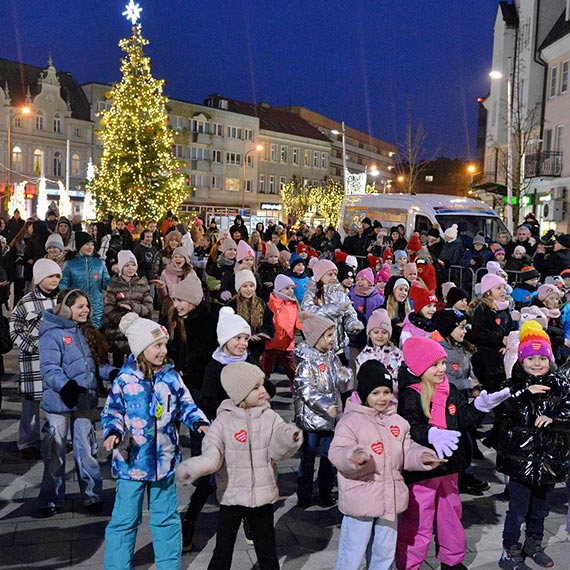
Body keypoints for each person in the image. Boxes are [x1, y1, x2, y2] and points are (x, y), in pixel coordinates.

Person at [101, 312, 209, 570]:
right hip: (131, 462)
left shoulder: (171, 377)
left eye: (163, 345)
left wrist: (200, 422)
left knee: (167, 517)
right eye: (156, 346)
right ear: (140, 349)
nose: (162, 350)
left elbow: (187, 404)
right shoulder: (125, 380)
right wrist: (113, 431)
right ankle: (117, 565)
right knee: (125, 519)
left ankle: (169, 565)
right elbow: (112, 411)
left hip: (165, 461)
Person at [396, 336, 511, 570]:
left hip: (449, 466)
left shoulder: (450, 390)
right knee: (419, 520)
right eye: (435, 365)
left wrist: (480, 407)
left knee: (450, 514)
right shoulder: (411, 394)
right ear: (420, 367)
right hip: (423, 470)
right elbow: (409, 426)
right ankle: (409, 563)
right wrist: (429, 434)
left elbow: (461, 419)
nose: (442, 369)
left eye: (442, 363)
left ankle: (452, 559)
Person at [176, 362, 302, 570]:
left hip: (261, 496)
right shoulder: (223, 421)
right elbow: (212, 455)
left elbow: (278, 447)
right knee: (223, 550)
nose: (263, 391)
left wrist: (289, 437)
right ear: (240, 395)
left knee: (267, 551)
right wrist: (195, 467)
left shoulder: (270, 417)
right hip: (232, 495)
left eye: (262, 385)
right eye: (255, 387)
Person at [330, 360, 442, 570]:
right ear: (364, 394)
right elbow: (337, 452)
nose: (382, 398)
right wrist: (353, 457)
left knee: (384, 551)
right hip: (361, 497)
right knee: (352, 551)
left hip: (390, 497)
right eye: (375, 393)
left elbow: (406, 450)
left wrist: (422, 456)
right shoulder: (350, 421)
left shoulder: (398, 422)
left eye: (386, 392)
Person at [497, 321, 570, 569]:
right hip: (521, 462)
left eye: (542, 358)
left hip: (549, 460)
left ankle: (533, 543)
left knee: (540, 508)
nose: (537, 363)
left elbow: (569, 409)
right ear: (521, 361)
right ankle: (510, 549)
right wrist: (525, 394)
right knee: (517, 510)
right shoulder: (513, 386)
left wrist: (556, 418)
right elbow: (503, 411)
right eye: (531, 358)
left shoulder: (560, 385)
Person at [38, 289, 116, 517]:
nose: (86, 311)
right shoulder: (52, 334)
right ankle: (51, 498)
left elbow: (97, 365)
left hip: (84, 401)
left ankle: (92, 495)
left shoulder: (88, 332)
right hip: (60, 401)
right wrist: (66, 386)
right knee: (56, 451)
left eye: (87, 306)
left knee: (87, 449)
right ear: (65, 308)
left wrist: (111, 373)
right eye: (80, 306)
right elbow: (49, 368)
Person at [294, 314, 353, 508]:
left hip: (330, 420)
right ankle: (304, 493)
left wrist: (346, 375)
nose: (332, 340)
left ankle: (325, 491)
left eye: (332, 335)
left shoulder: (332, 358)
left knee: (329, 457)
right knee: (308, 458)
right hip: (312, 420)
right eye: (328, 336)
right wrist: (325, 406)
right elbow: (306, 391)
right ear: (315, 338)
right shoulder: (306, 362)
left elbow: (342, 383)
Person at [9, 259, 62, 459]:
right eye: (50, 276)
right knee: (30, 404)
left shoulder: (62, 300)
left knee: (56, 401)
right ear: (40, 278)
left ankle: (57, 438)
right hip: (33, 360)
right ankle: (27, 442)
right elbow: (15, 328)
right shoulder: (26, 302)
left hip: (57, 361)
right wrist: (33, 345)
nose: (54, 280)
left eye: (57, 276)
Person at [301, 259, 363, 365]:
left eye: (335, 274)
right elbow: (310, 313)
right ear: (320, 276)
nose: (333, 278)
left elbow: (349, 314)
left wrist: (352, 324)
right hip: (318, 349)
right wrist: (335, 309)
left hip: (338, 349)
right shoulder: (311, 294)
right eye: (330, 274)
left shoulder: (340, 295)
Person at [103, 250, 153, 367]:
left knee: (136, 363)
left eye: (133, 264)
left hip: (137, 331)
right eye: (127, 265)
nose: (131, 268)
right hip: (118, 332)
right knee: (118, 363)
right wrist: (122, 317)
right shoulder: (113, 285)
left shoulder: (142, 284)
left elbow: (149, 307)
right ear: (121, 267)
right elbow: (108, 308)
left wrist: (133, 309)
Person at [60, 232, 111, 329]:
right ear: (79, 245)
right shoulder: (70, 263)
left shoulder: (99, 263)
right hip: (76, 306)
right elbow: (64, 283)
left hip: (96, 306)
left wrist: (117, 278)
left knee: (95, 334)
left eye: (92, 244)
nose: (90, 247)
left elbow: (106, 283)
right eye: (87, 244)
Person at [262, 274, 302, 391]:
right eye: (287, 288)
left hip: (287, 345)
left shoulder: (294, 304)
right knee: (265, 370)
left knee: (291, 371)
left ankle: (297, 391)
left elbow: (298, 323)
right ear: (279, 289)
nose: (290, 291)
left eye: (292, 288)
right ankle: (263, 390)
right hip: (271, 343)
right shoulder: (270, 303)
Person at [227, 269, 274, 364]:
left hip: (257, 348)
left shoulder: (260, 303)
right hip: (238, 349)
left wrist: (262, 332)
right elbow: (229, 327)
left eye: (251, 286)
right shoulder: (232, 305)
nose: (249, 289)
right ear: (239, 288)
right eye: (245, 286)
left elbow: (268, 322)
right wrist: (247, 335)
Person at [382, 276, 411, 346]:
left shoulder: (408, 313)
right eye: (400, 289)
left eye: (406, 290)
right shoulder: (382, 310)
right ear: (392, 290)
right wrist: (395, 326)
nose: (403, 293)